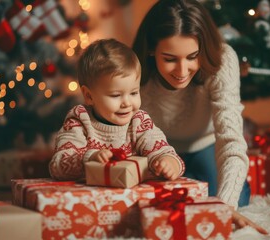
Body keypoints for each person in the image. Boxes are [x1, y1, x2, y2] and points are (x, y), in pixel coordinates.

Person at [132, 0, 251, 209]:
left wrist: (225, 207)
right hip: (155, 151)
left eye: (192, 57)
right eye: (170, 59)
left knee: (234, 198)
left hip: (206, 145)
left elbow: (232, 142)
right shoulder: (133, 67)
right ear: (151, 50)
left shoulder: (222, 60)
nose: (182, 71)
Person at [49, 38, 185, 182]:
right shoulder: (80, 121)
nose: (127, 103)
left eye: (133, 93)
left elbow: (161, 150)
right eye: (115, 95)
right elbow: (58, 166)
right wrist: (90, 158)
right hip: (92, 197)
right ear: (89, 96)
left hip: (132, 197)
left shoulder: (139, 122)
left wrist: (169, 162)